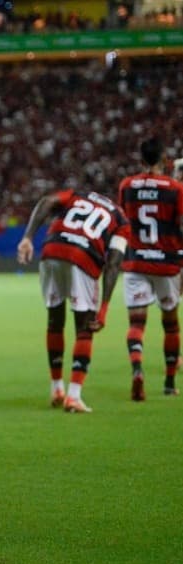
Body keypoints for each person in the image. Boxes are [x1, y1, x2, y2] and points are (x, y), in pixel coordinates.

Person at [17, 188, 129, 413]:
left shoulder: (79, 194)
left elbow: (47, 200)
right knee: (85, 329)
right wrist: (104, 308)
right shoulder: (121, 219)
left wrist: (28, 237)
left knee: (54, 322)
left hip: (52, 250)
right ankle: (74, 396)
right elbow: (114, 263)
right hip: (83, 256)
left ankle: (56, 388)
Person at [117, 137, 183, 400]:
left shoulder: (127, 185)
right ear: (164, 159)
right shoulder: (175, 188)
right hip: (166, 264)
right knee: (171, 325)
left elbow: (122, 221)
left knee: (136, 323)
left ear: (141, 159)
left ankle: (137, 369)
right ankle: (169, 382)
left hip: (136, 262)